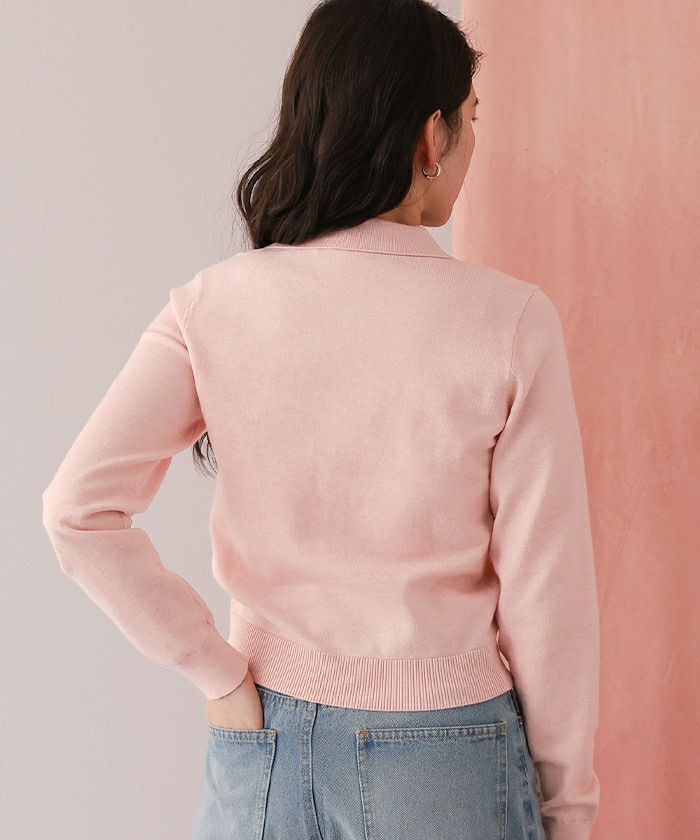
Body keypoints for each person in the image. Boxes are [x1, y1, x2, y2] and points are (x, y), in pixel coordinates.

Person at [41, 1, 600, 839]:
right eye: (472, 118)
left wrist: (219, 673)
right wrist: (567, 808)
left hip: (262, 749)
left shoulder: (213, 306)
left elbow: (76, 511)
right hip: (446, 761)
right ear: (430, 137)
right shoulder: (510, 321)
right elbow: (548, 599)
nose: (473, 145)